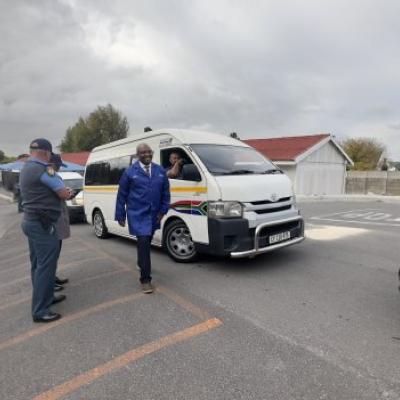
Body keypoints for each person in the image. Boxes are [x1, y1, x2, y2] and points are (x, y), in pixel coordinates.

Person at [20, 139, 73, 323]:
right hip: (42, 225)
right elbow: (62, 192)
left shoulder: (26, 166)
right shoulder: (44, 168)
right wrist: (67, 191)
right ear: (46, 152)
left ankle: (47, 298)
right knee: (46, 266)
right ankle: (41, 310)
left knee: (37, 264)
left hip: (31, 221)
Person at [115, 143, 170, 293]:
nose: (146, 154)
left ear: (152, 153)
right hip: (137, 214)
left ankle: (141, 261)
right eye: (142, 152)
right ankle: (145, 280)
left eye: (148, 152)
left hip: (154, 215)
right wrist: (120, 215)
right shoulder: (129, 172)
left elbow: (166, 193)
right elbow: (122, 195)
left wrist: (163, 210)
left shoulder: (160, 171)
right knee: (144, 242)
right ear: (137, 155)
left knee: (146, 242)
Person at [49, 154, 71, 292]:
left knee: (56, 252)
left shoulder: (54, 176)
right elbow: (61, 194)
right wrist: (67, 192)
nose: (59, 168)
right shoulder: (50, 175)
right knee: (52, 252)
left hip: (58, 216)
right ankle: (50, 281)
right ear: (53, 163)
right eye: (58, 165)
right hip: (53, 219)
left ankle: (53, 276)